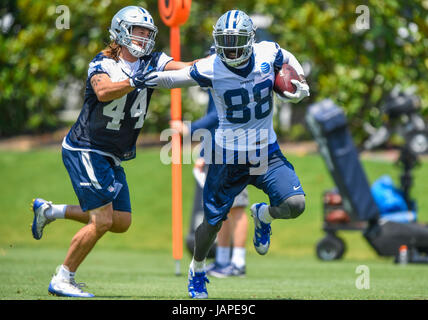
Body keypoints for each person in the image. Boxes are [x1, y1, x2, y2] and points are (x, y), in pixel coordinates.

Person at [30, 6, 195, 298]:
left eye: (147, 32)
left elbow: (187, 68)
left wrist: (222, 65)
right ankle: (62, 277)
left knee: (120, 221)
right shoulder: (102, 62)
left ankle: (50, 210)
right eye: (138, 31)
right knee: (102, 220)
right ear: (120, 31)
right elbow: (103, 91)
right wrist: (134, 81)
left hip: (112, 153)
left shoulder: (153, 60)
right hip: (86, 148)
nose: (143, 38)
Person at [144, 9, 310, 299]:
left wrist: (302, 83)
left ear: (250, 40)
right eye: (226, 42)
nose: (231, 49)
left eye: (237, 41)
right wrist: (138, 81)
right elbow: (174, 80)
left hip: (265, 152)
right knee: (212, 223)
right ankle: (197, 271)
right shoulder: (211, 67)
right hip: (227, 156)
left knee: (295, 204)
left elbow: (287, 57)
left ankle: (264, 216)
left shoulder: (267, 52)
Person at [171, 91, 249, 278]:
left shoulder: (227, 80)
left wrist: (189, 128)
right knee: (222, 209)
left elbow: (218, 117)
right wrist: (204, 154)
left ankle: (238, 262)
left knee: (237, 207)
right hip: (218, 152)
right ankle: (222, 260)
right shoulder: (215, 84)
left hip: (235, 150)